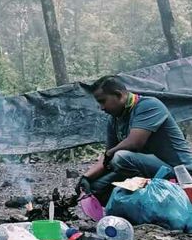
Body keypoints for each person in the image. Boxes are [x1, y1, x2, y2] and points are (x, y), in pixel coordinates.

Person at [76, 75, 192, 205]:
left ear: (119, 95)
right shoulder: (113, 120)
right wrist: (86, 178)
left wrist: (110, 154)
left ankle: (148, 196)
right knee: (96, 188)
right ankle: (134, 207)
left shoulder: (149, 105)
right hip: (147, 167)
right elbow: (108, 155)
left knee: (121, 157)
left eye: (103, 101)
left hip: (179, 171)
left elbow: (135, 143)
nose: (101, 108)